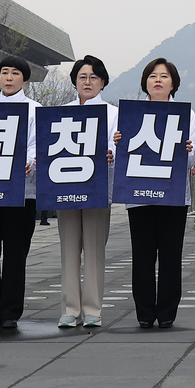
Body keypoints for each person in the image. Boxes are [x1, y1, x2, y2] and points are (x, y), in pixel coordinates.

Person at [119, 58, 195, 329]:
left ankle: (166, 312)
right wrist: (118, 142)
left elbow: (193, 158)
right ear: (145, 83)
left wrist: (190, 150)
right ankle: (144, 311)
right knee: (141, 255)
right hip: (139, 196)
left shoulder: (187, 115)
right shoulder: (131, 114)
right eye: (153, 76)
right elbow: (119, 155)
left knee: (170, 254)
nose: (158, 80)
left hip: (173, 195)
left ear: (173, 83)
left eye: (164, 76)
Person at [0, 56, 39, 330]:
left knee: (16, 253)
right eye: (4, 72)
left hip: (21, 193)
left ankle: (11, 310)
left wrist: (32, 162)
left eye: (16, 73)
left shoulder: (35, 110)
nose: (9, 77)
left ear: (24, 79)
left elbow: (39, 145)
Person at [56, 54, 117, 330]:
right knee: (68, 248)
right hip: (66, 188)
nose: (88, 81)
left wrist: (110, 153)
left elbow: (117, 145)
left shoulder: (113, 112)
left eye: (94, 77)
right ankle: (70, 309)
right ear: (74, 81)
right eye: (82, 76)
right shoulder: (62, 111)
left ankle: (92, 309)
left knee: (93, 249)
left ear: (102, 82)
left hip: (96, 188)